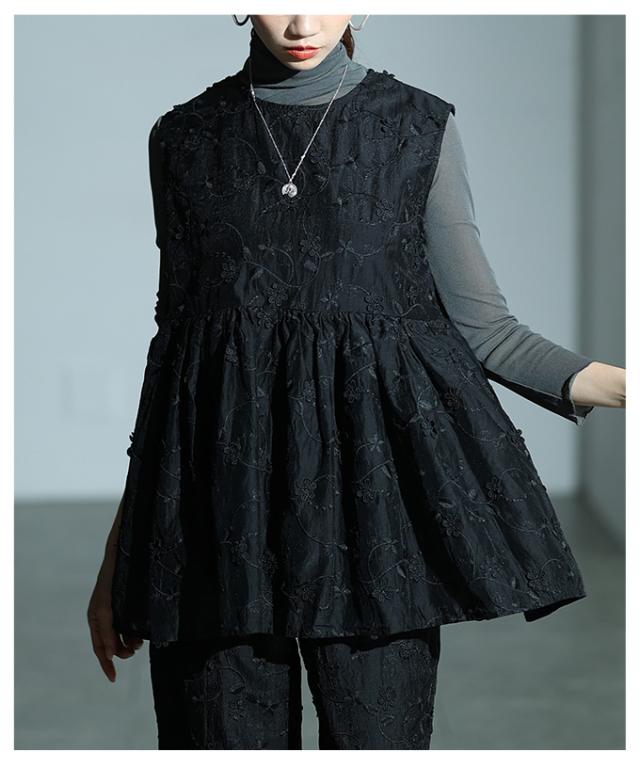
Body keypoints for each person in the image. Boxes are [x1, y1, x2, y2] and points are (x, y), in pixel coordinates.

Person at [87, 15, 626, 749]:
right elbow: (179, 363)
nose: (302, 22)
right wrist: (123, 551)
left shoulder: (415, 126)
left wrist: (622, 386)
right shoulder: (182, 138)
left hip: (373, 524)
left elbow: (487, 331)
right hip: (214, 522)